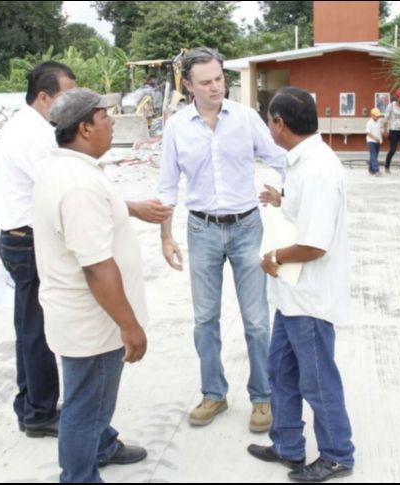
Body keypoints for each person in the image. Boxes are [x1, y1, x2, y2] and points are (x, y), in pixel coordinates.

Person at [157, 47, 286, 432]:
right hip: (202, 230)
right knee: (205, 320)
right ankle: (214, 393)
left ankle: (263, 398)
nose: (215, 87)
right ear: (188, 85)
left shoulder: (246, 120)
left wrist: (286, 194)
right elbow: (166, 187)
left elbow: (282, 160)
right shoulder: (177, 128)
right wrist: (165, 237)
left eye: (219, 79)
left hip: (248, 227)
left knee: (257, 322)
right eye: (206, 82)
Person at [33, 88, 158, 483]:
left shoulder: (69, 171)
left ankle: (102, 446)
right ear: (85, 127)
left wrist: (132, 208)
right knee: (87, 407)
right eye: (106, 117)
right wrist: (129, 324)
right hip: (94, 322)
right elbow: (97, 267)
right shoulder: (79, 185)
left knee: (91, 400)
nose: (113, 122)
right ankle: (79, 476)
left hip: (84, 316)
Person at [248, 87, 355, 483]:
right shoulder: (303, 163)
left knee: (317, 381)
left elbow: (314, 244)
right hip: (292, 297)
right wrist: (282, 199)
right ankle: (289, 445)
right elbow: (304, 209)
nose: (268, 127)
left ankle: (338, 454)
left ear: (280, 124)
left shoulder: (318, 170)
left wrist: (274, 257)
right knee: (281, 371)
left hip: (309, 300)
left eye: (269, 120)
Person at [0, 61, 78, 439]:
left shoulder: (30, 126)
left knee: (29, 328)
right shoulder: (32, 135)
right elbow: (56, 185)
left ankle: (32, 406)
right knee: (38, 331)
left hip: (20, 238)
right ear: (44, 97)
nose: (69, 104)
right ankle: (41, 413)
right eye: (65, 97)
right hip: (27, 242)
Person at [366, 107, 383, 176]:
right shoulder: (369, 122)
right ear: (372, 115)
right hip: (371, 141)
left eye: (378, 116)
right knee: (373, 155)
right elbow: (368, 133)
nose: (378, 117)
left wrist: (380, 139)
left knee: (375, 155)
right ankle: (376, 170)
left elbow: (379, 131)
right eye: (376, 116)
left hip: (377, 141)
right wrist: (375, 138)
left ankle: (371, 169)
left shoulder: (379, 121)